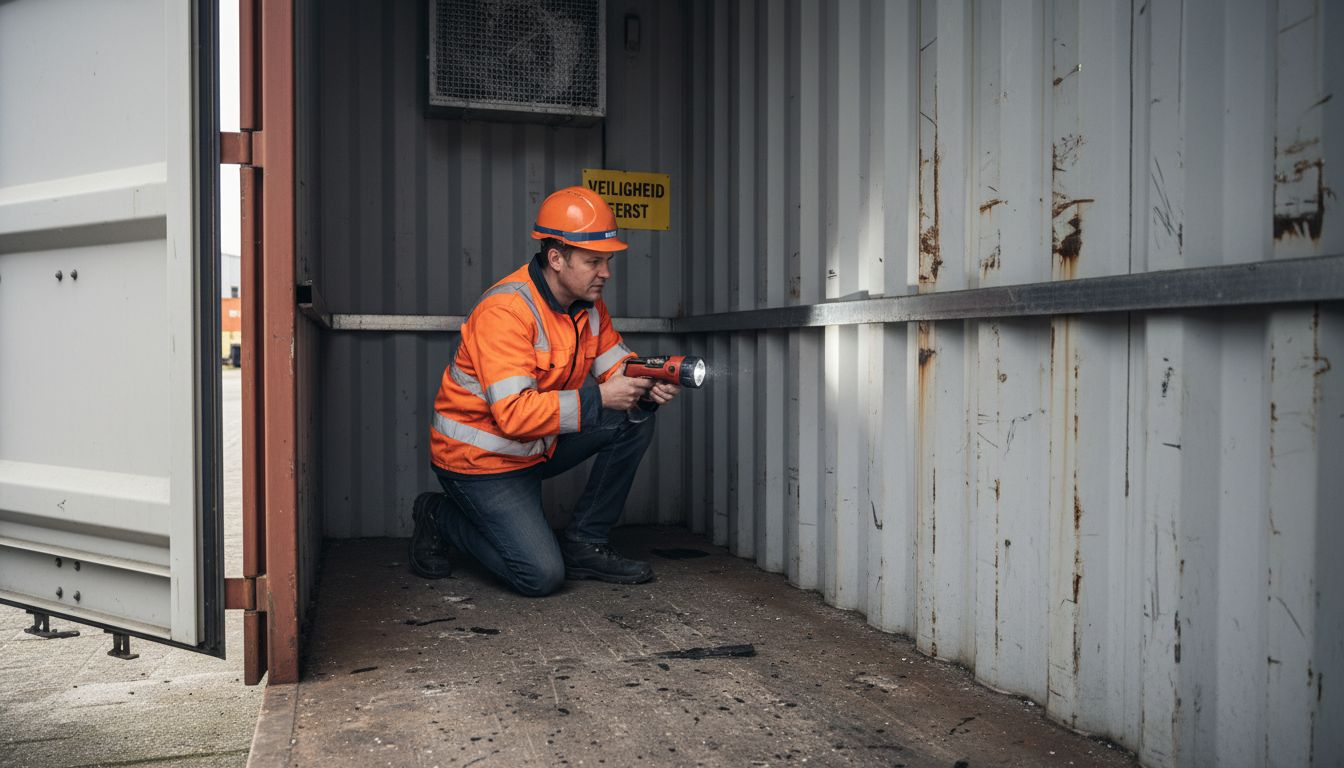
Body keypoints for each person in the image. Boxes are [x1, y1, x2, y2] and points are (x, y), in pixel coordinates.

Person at [410, 186, 680, 596]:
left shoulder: (588, 305)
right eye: (594, 261)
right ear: (556, 258)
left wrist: (646, 384)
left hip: (537, 445)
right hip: (480, 462)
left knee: (633, 418)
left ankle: (586, 543)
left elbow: (616, 365)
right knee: (540, 576)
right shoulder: (506, 312)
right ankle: (438, 515)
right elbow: (514, 415)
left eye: (607, 261)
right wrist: (603, 398)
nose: (605, 272)